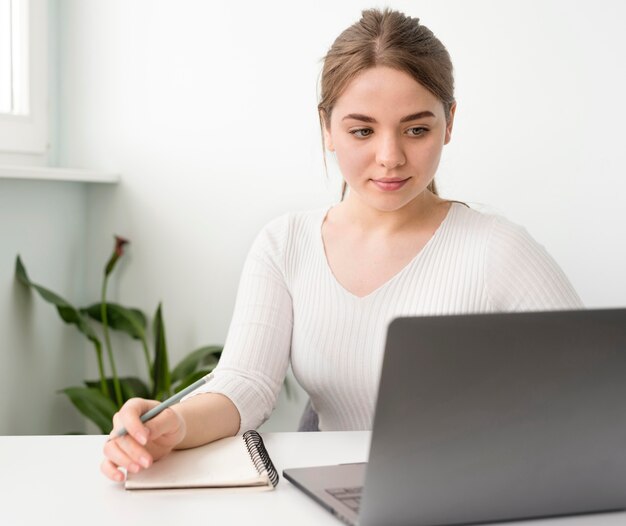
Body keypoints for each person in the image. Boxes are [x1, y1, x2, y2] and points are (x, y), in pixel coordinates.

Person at [101, 8, 582, 482]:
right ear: (327, 127)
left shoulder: (500, 249)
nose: (390, 158)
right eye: (362, 131)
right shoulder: (285, 245)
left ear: (449, 122)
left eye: (417, 129)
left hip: (468, 487)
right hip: (334, 492)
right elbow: (244, 384)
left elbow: (592, 386)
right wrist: (174, 423)